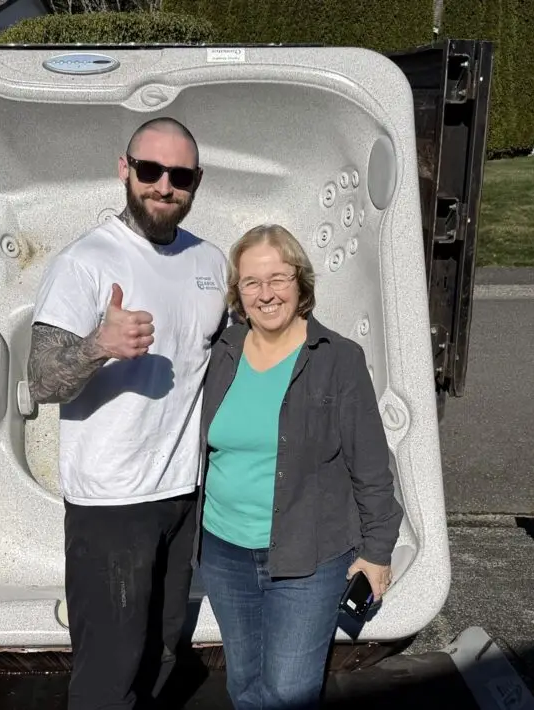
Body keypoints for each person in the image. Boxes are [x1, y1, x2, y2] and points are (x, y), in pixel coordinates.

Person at [27, 117, 228, 710]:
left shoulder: (210, 263)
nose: (164, 186)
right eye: (150, 171)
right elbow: (40, 381)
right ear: (125, 170)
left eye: (180, 175)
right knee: (109, 670)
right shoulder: (84, 262)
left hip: (182, 495)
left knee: (164, 648)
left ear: (196, 182)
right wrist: (97, 345)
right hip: (111, 503)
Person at [193, 224, 404, 709]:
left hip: (308, 556)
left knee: (288, 691)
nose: (266, 294)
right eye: (251, 282)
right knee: (244, 683)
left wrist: (377, 553)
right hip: (224, 553)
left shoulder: (337, 359)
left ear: (301, 283)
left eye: (278, 278)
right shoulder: (221, 353)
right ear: (237, 293)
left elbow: (371, 467)